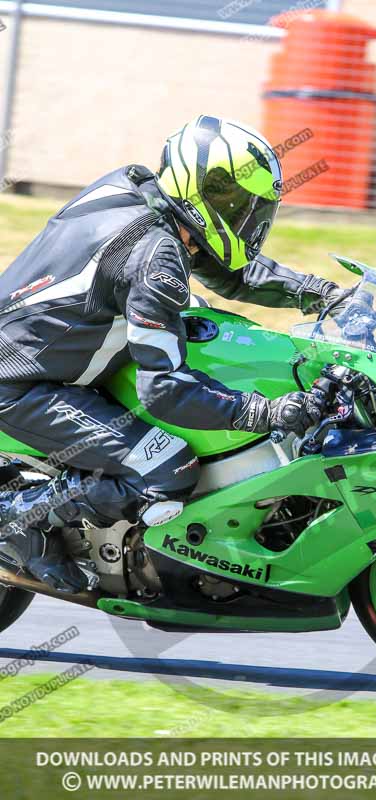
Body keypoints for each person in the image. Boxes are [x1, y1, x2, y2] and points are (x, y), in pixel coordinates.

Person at [0, 115, 346, 594]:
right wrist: (265, 411)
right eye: (236, 202)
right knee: (167, 467)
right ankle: (20, 520)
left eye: (251, 205)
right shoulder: (155, 258)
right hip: (22, 384)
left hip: (39, 355)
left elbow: (229, 268)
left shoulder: (142, 190)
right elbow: (163, 389)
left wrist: (320, 292)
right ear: (201, 193)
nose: (246, 216)